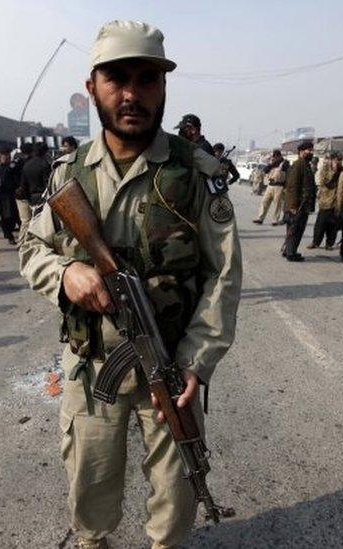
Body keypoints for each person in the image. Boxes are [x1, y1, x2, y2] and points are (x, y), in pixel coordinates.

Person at [19, 20, 242, 549]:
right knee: (90, 490)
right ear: (92, 86)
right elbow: (31, 249)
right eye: (116, 79)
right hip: (93, 365)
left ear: (163, 88)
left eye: (146, 80)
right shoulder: (68, 174)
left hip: (171, 366)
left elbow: (223, 274)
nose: (131, 94)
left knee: (175, 496)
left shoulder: (196, 173)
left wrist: (197, 359)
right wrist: (66, 273)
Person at [282, 141, 316, 262]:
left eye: (312, 150)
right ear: (301, 151)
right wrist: (292, 206)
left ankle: (289, 250)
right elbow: (292, 186)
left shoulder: (306, 165)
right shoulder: (298, 165)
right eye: (309, 150)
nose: (311, 152)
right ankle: (291, 253)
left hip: (303, 204)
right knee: (295, 229)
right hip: (297, 205)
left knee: (296, 229)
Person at [308, 153, 342, 250]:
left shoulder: (342, 171)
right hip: (325, 201)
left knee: (333, 225)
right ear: (331, 160)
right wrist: (334, 172)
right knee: (320, 224)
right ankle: (315, 242)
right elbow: (325, 182)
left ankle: (329, 244)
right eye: (336, 160)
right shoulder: (325, 169)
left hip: (337, 202)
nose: (337, 162)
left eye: (339, 160)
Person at [18, 141, 51, 233]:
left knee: (32, 223)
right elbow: (48, 183)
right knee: (43, 225)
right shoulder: (45, 165)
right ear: (46, 152)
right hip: (44, 198)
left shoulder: (27, 165)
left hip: (32, 198)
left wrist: (29, 199)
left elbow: (23, 185)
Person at [253, 150, 288, 225]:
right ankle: (260, 218)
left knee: (277, 204)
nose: (275, 158)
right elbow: (265, 170)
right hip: (270, 185)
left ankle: (275, 220)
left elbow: (288, 174)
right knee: (264, 202)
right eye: (274, 156)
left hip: (279, 186)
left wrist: (286, 186)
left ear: (279, 156)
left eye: (276, 156)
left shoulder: (284, 163)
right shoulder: (272, 163)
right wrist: (271, 164)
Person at [0, 149, 20, 245]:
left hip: (13, 195)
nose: (7, 159)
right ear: (0, 157)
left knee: (15, 216)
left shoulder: (13, 167)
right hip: (2, 196)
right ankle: (9, 235)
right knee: (5, 218)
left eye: (8, 157)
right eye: (4, 157)